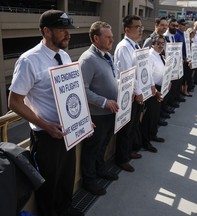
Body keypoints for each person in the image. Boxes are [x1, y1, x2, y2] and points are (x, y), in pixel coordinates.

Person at [8, 10, 78, 216]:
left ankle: (65, 209)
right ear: (47, 31)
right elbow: (14, 102)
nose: (68, 34)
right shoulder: (29, 60)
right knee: (48, 184)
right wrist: (46, 126)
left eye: (68, 30)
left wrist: (82, 119)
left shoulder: (64, 55)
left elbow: (72, 91)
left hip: (69, 130)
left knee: (66, 177)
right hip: (46, 136)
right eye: (62, 30)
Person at [78, 21, 119, 196]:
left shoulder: (106, 56)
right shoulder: (87, 59)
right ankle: (89, 181)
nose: (112, 40)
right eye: (108, 37)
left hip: (110, 112)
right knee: (92, 149)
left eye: (112, 37)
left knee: (103, 145)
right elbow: (82, 89)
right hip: (97, 115)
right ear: (96, 38)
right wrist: (103, 102)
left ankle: (100, 169)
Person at [114, 15, 153, 172]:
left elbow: (142, 69)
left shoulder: (136, 45)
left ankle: (129, 151)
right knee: (126, 128)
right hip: (128, 95)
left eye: (141, 27)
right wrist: (138, 92)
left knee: (133, 125)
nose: (140, 30)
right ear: (127, 29)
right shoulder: (124, 47)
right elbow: (127, 72)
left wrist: (147, 87)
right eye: (137, 27)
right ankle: (121, 159)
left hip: (137, 93)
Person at [141, 35, 167, 151]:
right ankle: (145, 142)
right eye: (158, 44)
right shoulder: (150, 56)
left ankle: (153, 135)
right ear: (152, 44)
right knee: (150, 116)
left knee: (156, 115)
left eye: (163, 44)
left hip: (160, 87)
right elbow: (148, 76)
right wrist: (155, 91)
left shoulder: (159, 55)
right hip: (152, 90)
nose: (161, 46)